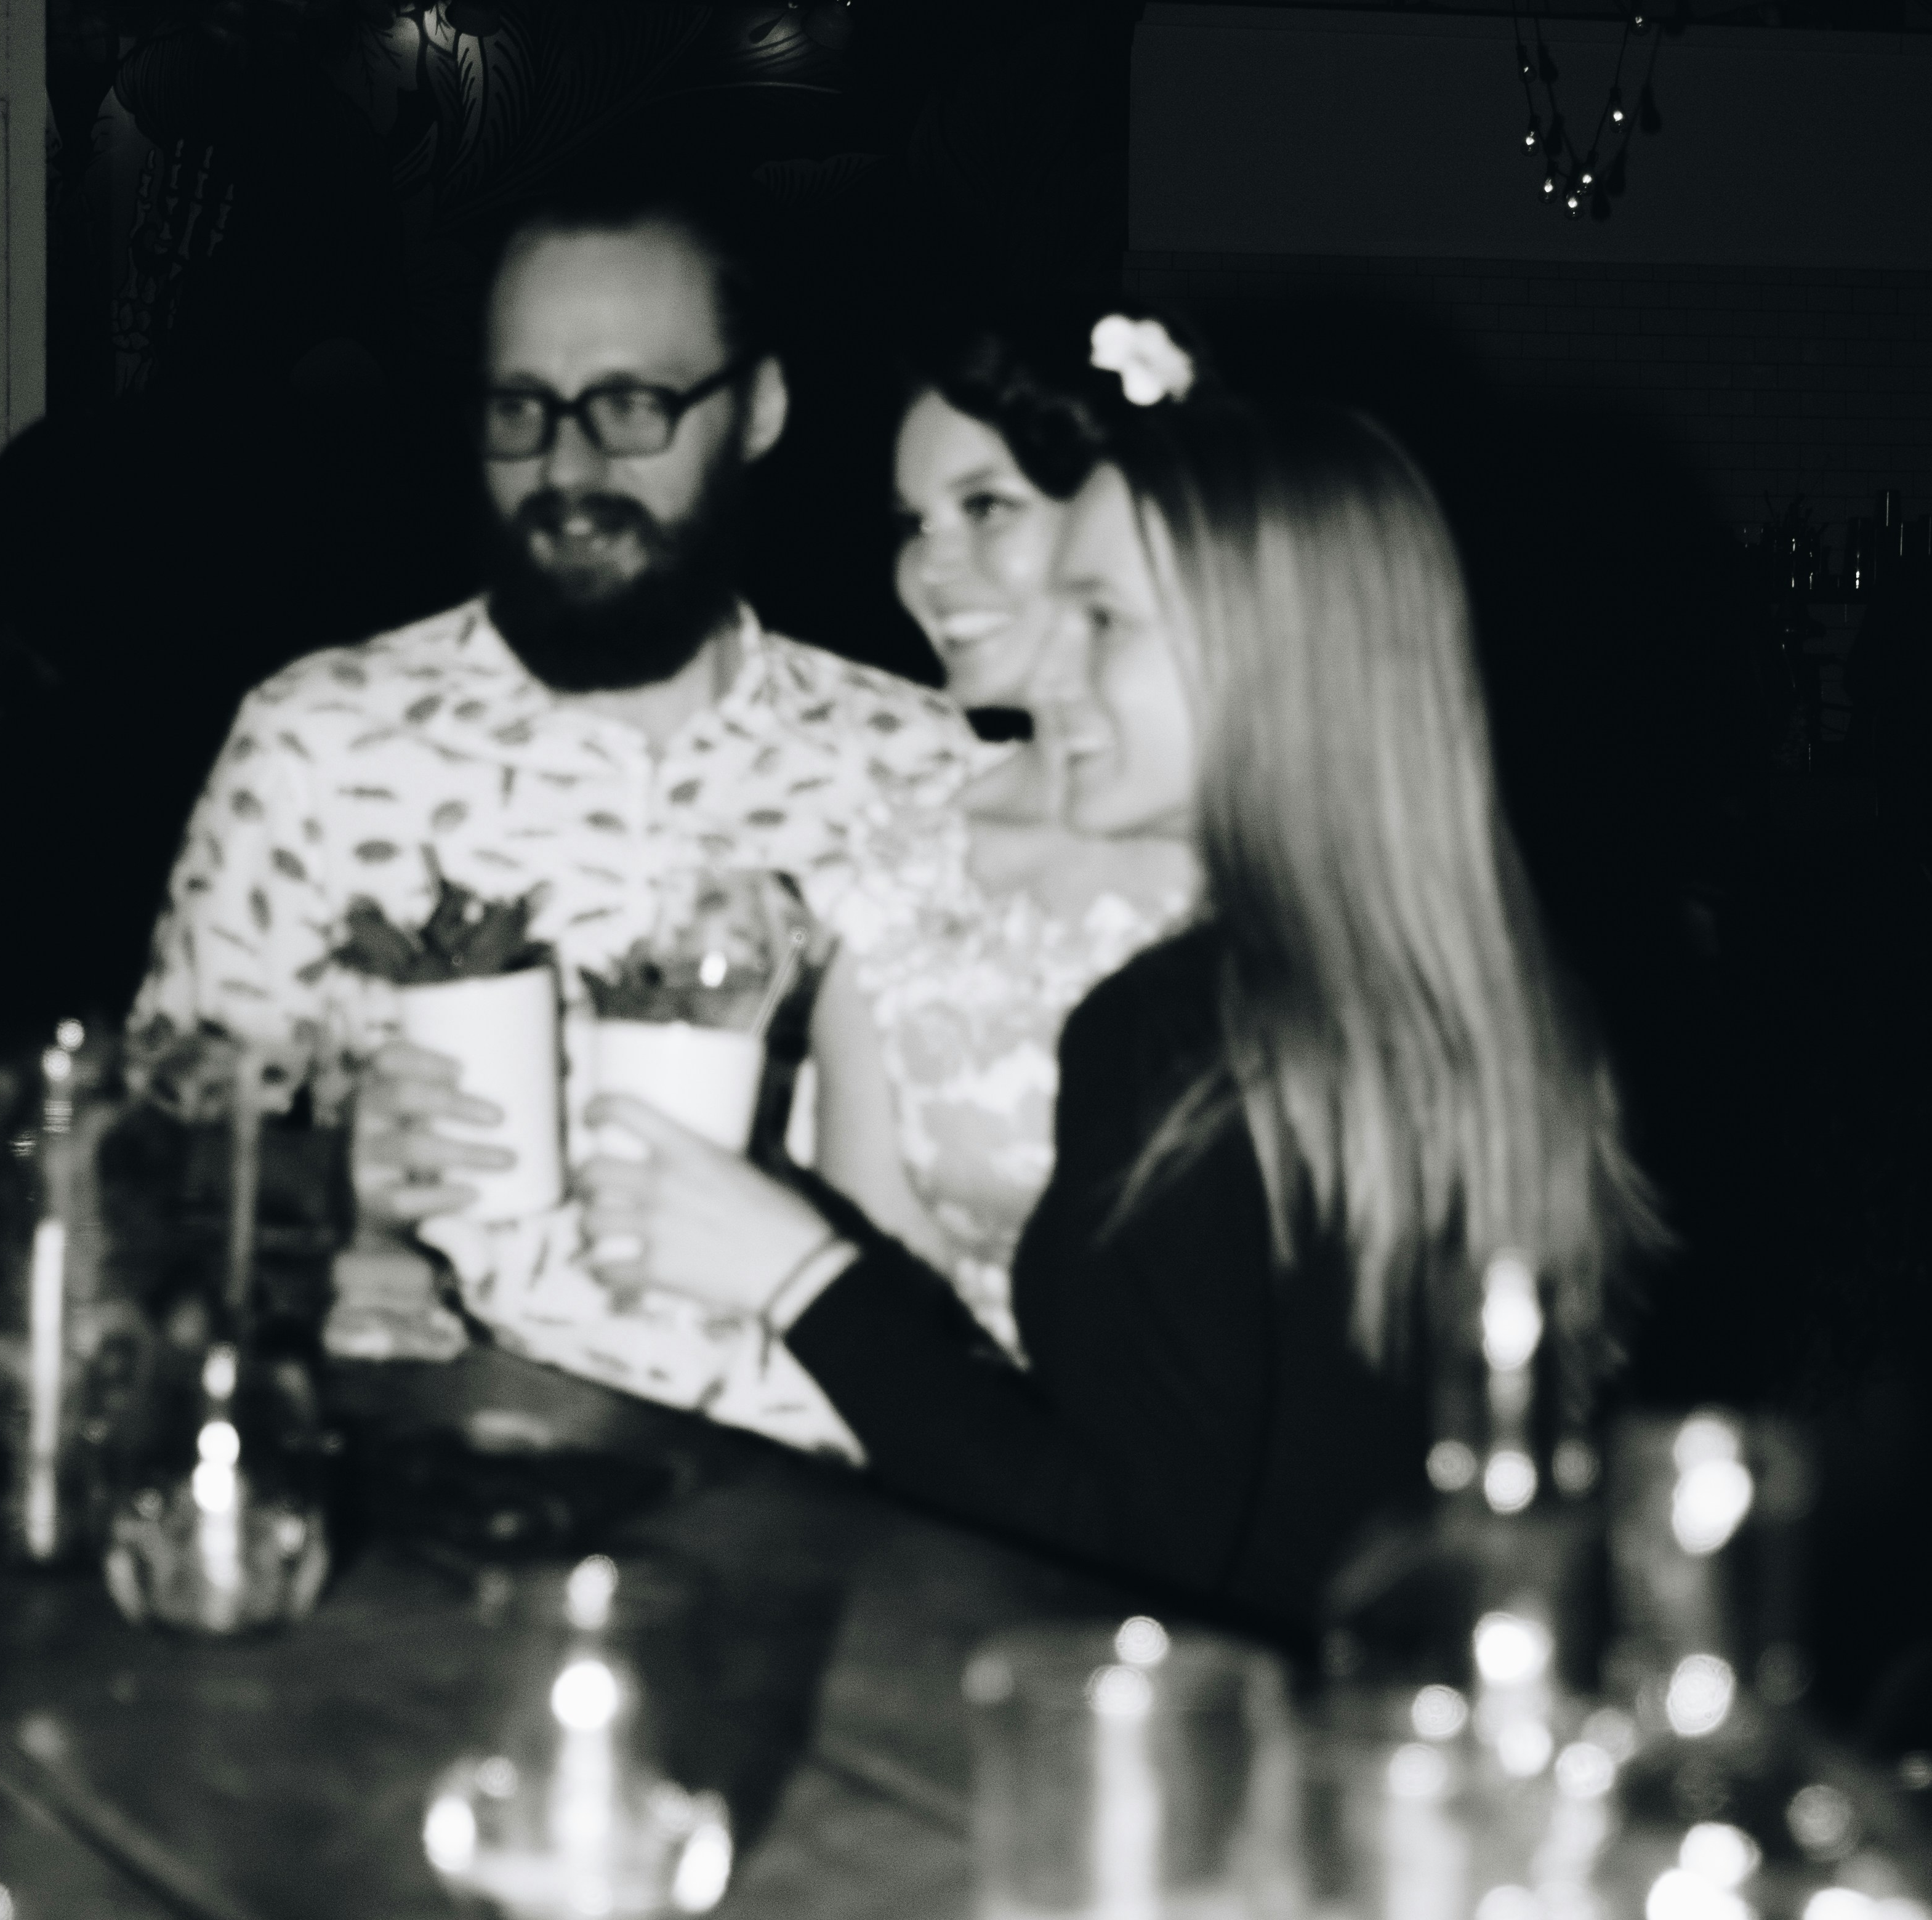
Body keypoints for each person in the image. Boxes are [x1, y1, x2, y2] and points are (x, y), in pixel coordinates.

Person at [573, 364, 1665, 1641]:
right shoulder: (1479, 999)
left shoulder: (1169, 1032)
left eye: (1104, 620)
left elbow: (1128, 1546)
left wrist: (796, 1271)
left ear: (1267, 653)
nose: (1060, 668)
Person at [129, 177, 978, 1420]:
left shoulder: (922, 766)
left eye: (632, 407)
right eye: (520, 410)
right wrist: (323, 1200)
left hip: (840, 1500)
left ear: (760, 408)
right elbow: (146, 1154)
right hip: (445, 1483)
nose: (567, 470)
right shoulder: (322, 738)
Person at [811, 310, 1209, 1343]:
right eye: (913, 523)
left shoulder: (1256, 851)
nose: (931, 570)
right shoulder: (900, 857)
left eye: (985, 506)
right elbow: (873, 1248)